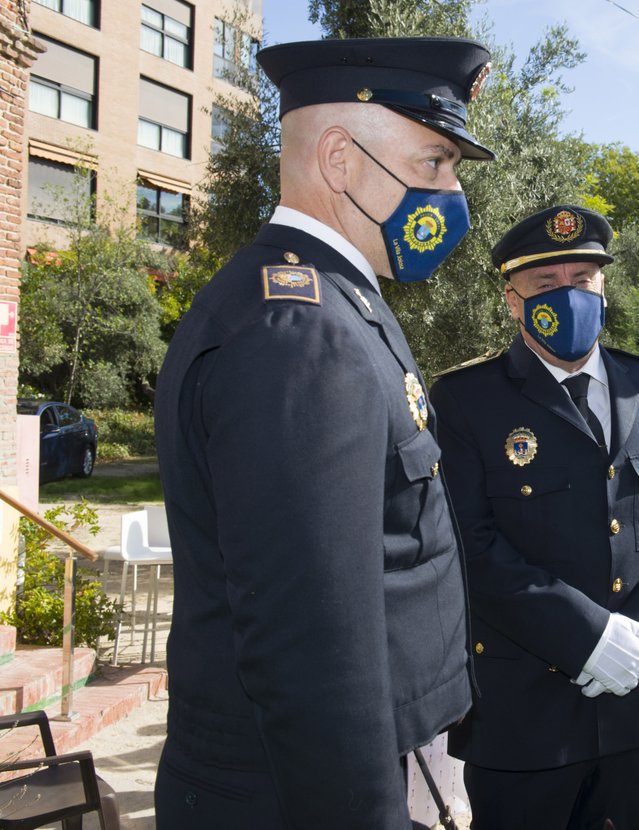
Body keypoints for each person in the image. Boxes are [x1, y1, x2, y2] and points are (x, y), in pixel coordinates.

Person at [153, 38, 495, 829]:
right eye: (434, 161)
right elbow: (313, 653)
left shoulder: (335, 302)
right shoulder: (300, 333)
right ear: (339, 159)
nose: (451, 193)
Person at [428, 205, 639, 829]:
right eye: (546, 283)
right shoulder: (467, 399)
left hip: (634, 703)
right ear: (513, 301)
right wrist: (588, 638)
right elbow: (467, 541)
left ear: (604, 287)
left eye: (583, 279)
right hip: (523, 718)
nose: (570, 295)